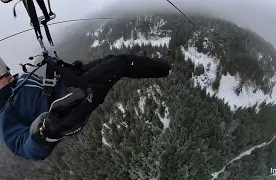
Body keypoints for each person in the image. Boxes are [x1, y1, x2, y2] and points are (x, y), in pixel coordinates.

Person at [0, 50, 174, 160]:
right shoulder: (5, 113)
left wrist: (67, 70)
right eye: (2, 75)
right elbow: (23, 147)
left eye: (5, 69)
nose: (8, 74)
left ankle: (151, 64)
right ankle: (164, 66)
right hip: (71, 101)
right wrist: (46, 131)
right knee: (121, 63)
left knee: (114, 59)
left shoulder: (20, 82)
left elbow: (45, 89)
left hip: (71, 81)